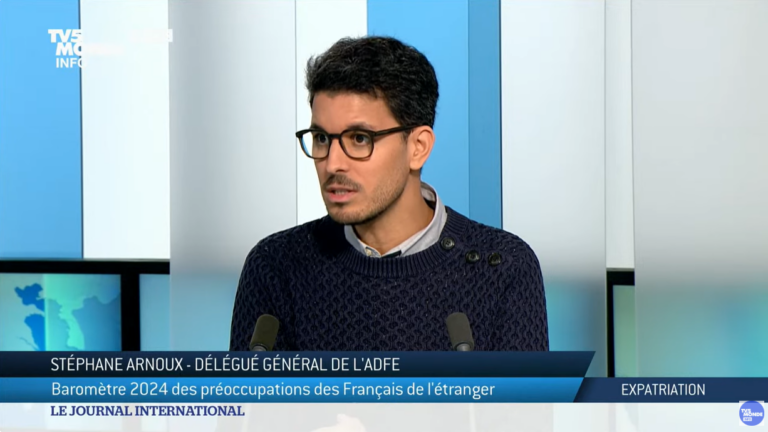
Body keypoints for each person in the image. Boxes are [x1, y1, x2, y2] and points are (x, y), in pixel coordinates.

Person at [229, 36, 548, 352]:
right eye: (322, 138)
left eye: (359, 138)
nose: (333, 163)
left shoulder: (503, 267)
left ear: (418, 148)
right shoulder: (275, 266)